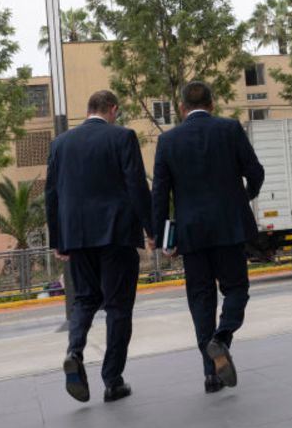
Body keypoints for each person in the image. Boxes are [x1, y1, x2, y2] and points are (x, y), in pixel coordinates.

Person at [150, 80, 264, 394]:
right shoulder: (229, 130)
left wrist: (163, 237)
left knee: (201, 302)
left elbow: (159, 194)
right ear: (212, 104)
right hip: (229, 228)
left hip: (191, 234)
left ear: (182, 107)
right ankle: (222, 338)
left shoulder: (168, 141)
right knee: (237, 289)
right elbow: (255, 172)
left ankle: (211, 375)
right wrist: (244, 196)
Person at [45, 90, 151, 403]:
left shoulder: (60, 144)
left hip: (76, 236)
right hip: (116, 234)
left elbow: (52, 195)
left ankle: (74, 351)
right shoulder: (122, 137)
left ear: (88, 109)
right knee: (118, 307)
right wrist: (152, 229)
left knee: (85, 298)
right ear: (112, 110)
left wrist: (58, 239)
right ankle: (113, 380)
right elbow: (136, 185)